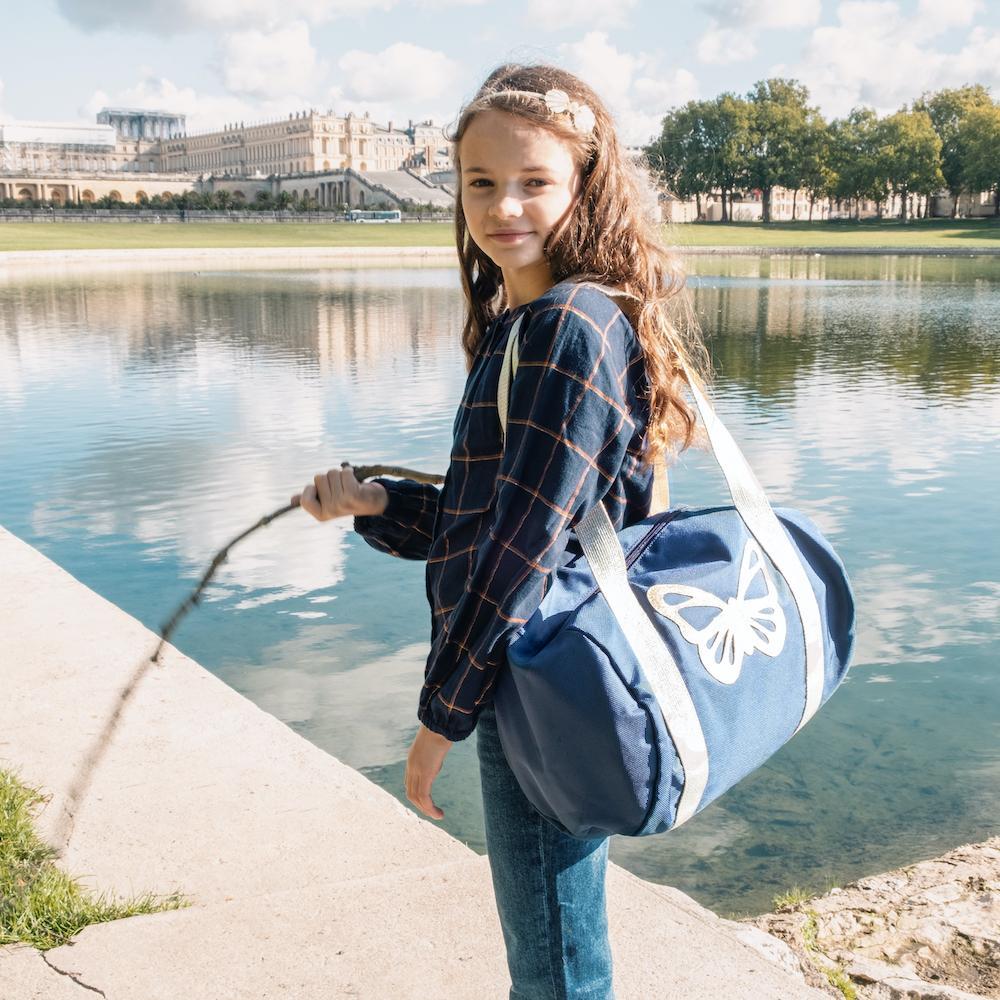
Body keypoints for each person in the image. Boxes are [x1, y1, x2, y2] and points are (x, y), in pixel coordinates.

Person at [293, 63, 709, 1000]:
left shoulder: (568, 325)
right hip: (552, 663)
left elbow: (521, 551)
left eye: (534, 182)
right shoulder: (532, 319)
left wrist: (441, 717)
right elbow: (499, 519)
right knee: (560, 944)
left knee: (555, 966)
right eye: (480, 182)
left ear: (583, 186)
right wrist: (377, 505)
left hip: (540, 675)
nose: (503, 205)